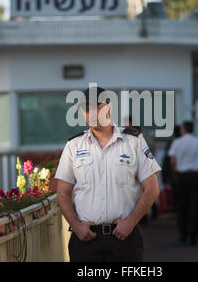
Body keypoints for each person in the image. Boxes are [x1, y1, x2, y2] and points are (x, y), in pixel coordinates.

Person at [55, 86, 161, 262]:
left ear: (109, 108)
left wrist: (131, 222)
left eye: (97, 107)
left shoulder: (133, 141)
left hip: (124, 239)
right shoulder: (74, 146)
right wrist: (76, 226)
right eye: (86, 109)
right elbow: (62, 192)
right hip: (86, 241)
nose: (92, 113)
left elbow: (152, 189)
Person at [168, 121, 198, 245]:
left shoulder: (177, 142)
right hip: (196, 176)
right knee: (195, 207)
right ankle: (193, 236)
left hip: (182, 176)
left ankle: (183, 234)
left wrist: (176, 175)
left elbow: (173, 161)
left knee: (182, 206)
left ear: (183, 130)